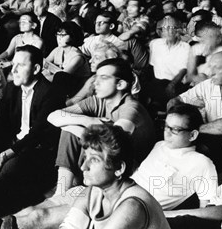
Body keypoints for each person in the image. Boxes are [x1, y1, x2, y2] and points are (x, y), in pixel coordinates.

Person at [0, 45, 64, 215]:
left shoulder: (50, 93)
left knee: (6, 171)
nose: (14, 69)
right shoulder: (13, 87)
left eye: (21, 65)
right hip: (16, 141)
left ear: (36, 69)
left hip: (38, 149)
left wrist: (2, 156)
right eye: (13, 63)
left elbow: (36, 135)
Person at [48, 58, 156, 193]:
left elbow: (112, 143)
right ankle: (62, 190)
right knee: (71, 129)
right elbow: (52, 116)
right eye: (96, 77)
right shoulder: (98, 101)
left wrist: (71, 126)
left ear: (120, 84)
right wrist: (88, 121)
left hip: (128, 168)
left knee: (76, 130)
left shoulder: (131, 108)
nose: (95, 83)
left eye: (103, 78)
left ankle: (73, 190)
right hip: (105, 159)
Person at [57, 123, 171, 229]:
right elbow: (68, 228)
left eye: (94, 160)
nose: (83, 167)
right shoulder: (93, 192)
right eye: (86, 157)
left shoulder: (132, 206)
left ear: (119, 168)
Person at [132, 104, 218, 211]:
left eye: (175, 129)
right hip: (121, 193)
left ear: (192, 135)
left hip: (142, 210)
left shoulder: (202, 163)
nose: (167, 133)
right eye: (166, 126)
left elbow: (207, 207)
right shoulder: (159, 145)